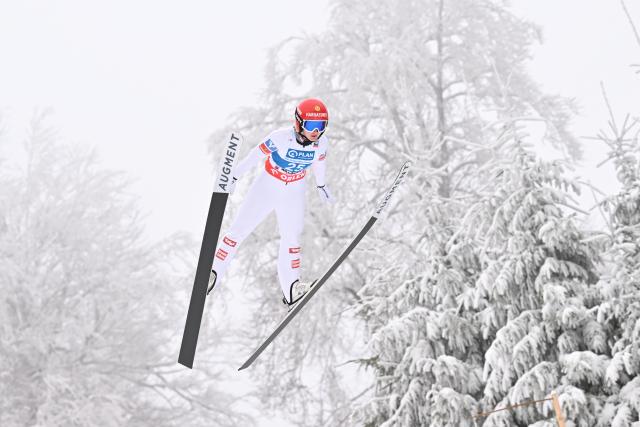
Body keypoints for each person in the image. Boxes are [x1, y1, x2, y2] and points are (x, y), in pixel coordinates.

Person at [207, 98, 332, 307]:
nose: (316, 132)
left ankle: (291, 288)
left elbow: (320, 163)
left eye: (321, 126)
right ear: (299, 123)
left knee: (292, 238)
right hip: (268, 185)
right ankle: (212, 273)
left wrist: (321, 185)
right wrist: (235, 175)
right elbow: (255, 155)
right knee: (238, 230)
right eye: (311, 125)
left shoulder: (322, 144)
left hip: (294, 189)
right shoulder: (281, 138)